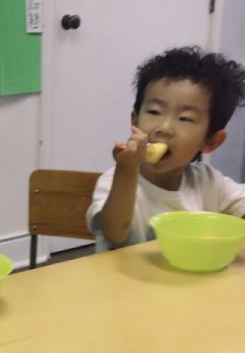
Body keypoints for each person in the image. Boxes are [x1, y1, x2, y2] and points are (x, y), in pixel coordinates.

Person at [87, 46, 245, 251]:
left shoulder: (207, 182)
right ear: (135, 121)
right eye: (154, 112)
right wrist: (126, 169)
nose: (164, 128)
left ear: (211, 141)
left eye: (185, 118)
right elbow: (115, 233)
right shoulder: (116, 181)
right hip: (123, 272)